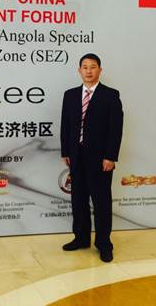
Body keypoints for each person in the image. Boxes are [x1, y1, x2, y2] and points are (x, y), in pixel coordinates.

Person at [60, 53, 123, 263]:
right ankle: (81, 238)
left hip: (100, 159)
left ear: (100, 70)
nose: (88, 70)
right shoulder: (70, 95)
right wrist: (66, 151)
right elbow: (65, 125)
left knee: (101, 202)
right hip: (75, 156)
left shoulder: (110, 95)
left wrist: (110, 156)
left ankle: (104, 244)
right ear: (79, 70)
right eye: (85, 67)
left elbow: (116, 129)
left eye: (93, 67)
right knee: (78, 200)